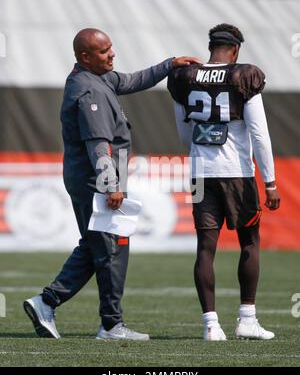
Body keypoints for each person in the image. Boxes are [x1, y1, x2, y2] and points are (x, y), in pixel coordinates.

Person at [23, 28, 200, 340]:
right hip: (97, 179)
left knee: (98, 247)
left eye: (111, 48)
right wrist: (110, 185)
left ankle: (47, 302)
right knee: (111, 249)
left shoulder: (99, 76)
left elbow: (132, 80)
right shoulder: (88, 90)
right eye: (104, 51)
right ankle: (110, 324)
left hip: (99, 177)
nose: (112, 54)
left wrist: (170, 64)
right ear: (85, 57)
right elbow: (98, 144)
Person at [167, 23, 280, 341]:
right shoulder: (244, 75)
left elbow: (184, 134)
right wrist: (269, 181)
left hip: (201, 172)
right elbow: (259, 132)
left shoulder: (183, 76)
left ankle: (210, 326)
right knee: (249, 242)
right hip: (236, 174)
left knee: (205, 247)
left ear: (210, 46)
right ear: (236, 50)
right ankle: (246, 319)